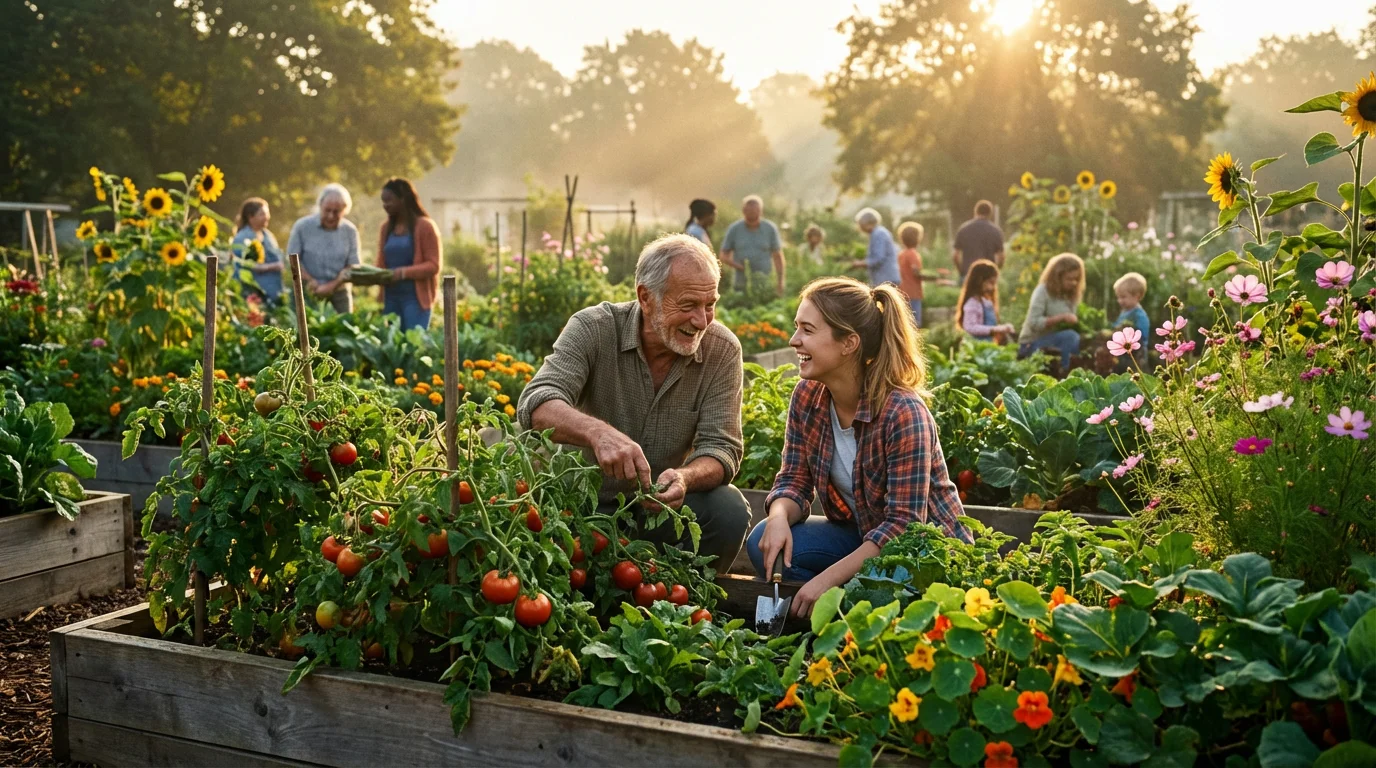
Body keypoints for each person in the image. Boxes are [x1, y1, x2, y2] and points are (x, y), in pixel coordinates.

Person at [518, 234, 750, 569]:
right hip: (579, 509)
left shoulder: (722, 351)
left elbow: (721, 448)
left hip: (656, 510)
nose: (701, 320)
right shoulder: (594, 328)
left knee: (727, 509)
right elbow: (537, 403)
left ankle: (681, 605)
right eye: (687, 306)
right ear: (646, 297)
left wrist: (686, 477)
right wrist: (599, 435)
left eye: (710, 304)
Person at [746, 277, 970, 617]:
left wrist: (827, 581)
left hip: (924, 554)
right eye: (796, 328)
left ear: (849, 342)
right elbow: (794, 479)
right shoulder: (808, 398)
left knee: (893, 583)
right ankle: (843, 615)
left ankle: (851, 614)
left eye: (807, 330)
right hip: (865, 537)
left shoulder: (903, 413)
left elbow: (903, 528)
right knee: (764, 540)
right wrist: (778, 516)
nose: (794, 341)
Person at [374, 178, 441, 331]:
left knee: (414, 344)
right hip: (390, 298)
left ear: (403, 199)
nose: (385, 205)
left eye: (389, 200)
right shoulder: (386, 228)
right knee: (392, 346)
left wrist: (402, 273)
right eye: (383, 201)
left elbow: (433, 265)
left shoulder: (425, 226)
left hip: (415, 298)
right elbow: (381, 262)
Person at [287, 183, 362, 313]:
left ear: (345, 210)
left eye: (336, 211)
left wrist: (331, 286)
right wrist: (311, 281)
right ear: (320, 206)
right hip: (306, 291)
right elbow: (292, 258)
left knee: (343, 331)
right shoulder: (302, 227)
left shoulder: (350, 231)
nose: (331, 216)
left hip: (339, 293)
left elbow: (353, 265)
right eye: (327, 210)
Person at [1018, 253, 1085, 370]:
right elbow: (1034, 323)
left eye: (1076, 279)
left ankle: (1073, 371)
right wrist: (1061, 318)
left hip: (1055, 341)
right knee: (1071, 336)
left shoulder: (1069, 296)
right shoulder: (1043, 291)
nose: (1074, 283)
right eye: (1069, 279)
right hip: (1031, 343)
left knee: (1078, 338)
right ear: (1058, 277)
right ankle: (1066, 373)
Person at [720, 195, 784, 295]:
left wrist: (780, 282)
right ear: (743, 211)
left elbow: (778, 257)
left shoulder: (770, 228)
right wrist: (740, 267)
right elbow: (723, 256)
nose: (753, 213)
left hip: (765, 283)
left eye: (756, 210)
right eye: (749, 210)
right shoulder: (734, 229)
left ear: (761, 211)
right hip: (740, 284)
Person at [231, 197, 284, 306]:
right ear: (251, 217)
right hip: (253, 297)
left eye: (267, 214)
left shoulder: (268, 236)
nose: (267, 217)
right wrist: (274, 266)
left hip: (273, 296)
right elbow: (246, 265)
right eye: (262, 214)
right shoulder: (241, 239)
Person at [956, 259, 1015, 343]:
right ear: (979, 281)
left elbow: (988, 325)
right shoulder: (973, 303)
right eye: (991, 283)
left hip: (987, 346)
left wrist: (1002, 329)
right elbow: (970, 327)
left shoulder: (986, 302)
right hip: (974, 347)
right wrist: (994, 329)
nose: (993, 287)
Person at [848, 208, 901, 288]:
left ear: (866, 223)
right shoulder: (878, 233)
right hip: (884, 278)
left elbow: (878, 258)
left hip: (886, 278)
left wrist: (861, 263)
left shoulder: (879, 234)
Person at [952, 200, 1005, 279]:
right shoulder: (996, 231)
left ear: (975, 211)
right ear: (990, 213)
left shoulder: (963, 229)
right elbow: (1001, 257)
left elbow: (956, 256)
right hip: (988, 276)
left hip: (968, 274)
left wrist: (962, 272)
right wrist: (994, 271)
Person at [895, 221, 925, 324]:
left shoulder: (901, 254)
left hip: (903, 290)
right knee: (915, 323)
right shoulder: (913, 254)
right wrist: (930, 277)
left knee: (906, 323)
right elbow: (916, 272)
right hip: (914, 292)